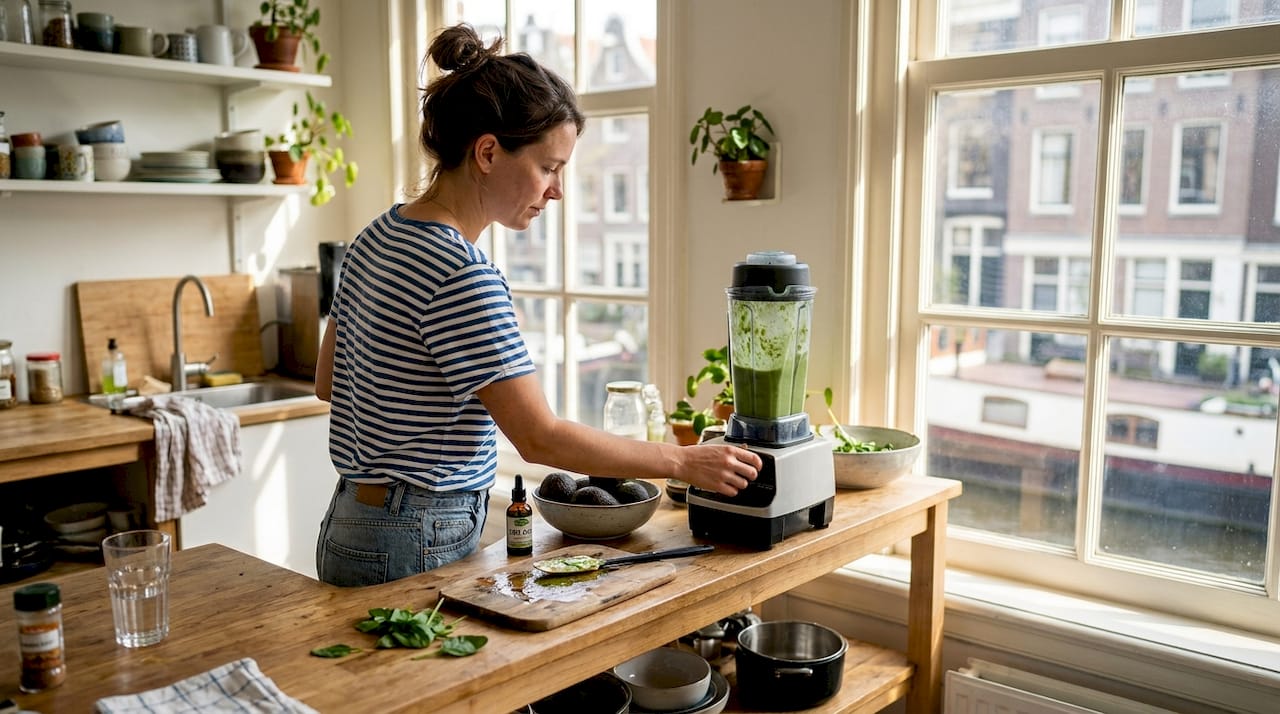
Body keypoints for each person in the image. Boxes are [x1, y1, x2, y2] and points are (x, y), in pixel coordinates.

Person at [313, 24, 761, 587]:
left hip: (351, 522)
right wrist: (683, 461)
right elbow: (539, 437)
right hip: (416, 529)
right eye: (549, 167)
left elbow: (328, 381)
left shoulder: (376, 235)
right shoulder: (460, 272)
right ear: (487, 152)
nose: (557, 191)